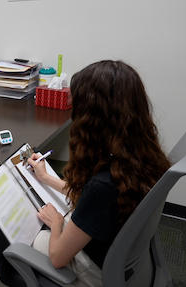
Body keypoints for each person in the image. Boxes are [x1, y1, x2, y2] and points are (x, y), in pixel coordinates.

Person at [25, 60, 171, 286]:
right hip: (122, 261)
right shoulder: (142, 155)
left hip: (93, 271)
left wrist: (55, 224)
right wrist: (46, 178)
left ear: (90, 118)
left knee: (21, 242)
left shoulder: (103, 185)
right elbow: (94, 198)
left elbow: (57, 258)